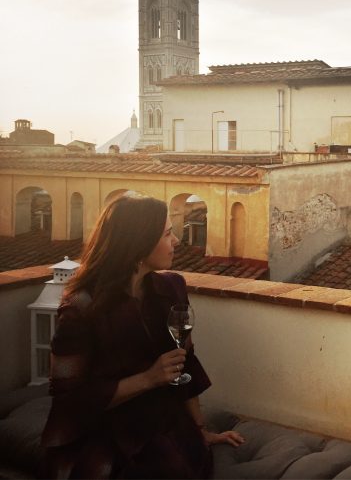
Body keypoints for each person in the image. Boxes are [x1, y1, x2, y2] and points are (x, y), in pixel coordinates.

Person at [40, 195, 244, 478]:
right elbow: (70, 400)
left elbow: (185, 363)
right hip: (103, 431)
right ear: (138, 243)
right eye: (167, 234)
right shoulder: (81, 307)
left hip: (159, 420)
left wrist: (201, 431)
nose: (176, 241)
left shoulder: (171, 288)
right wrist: (148, 378)